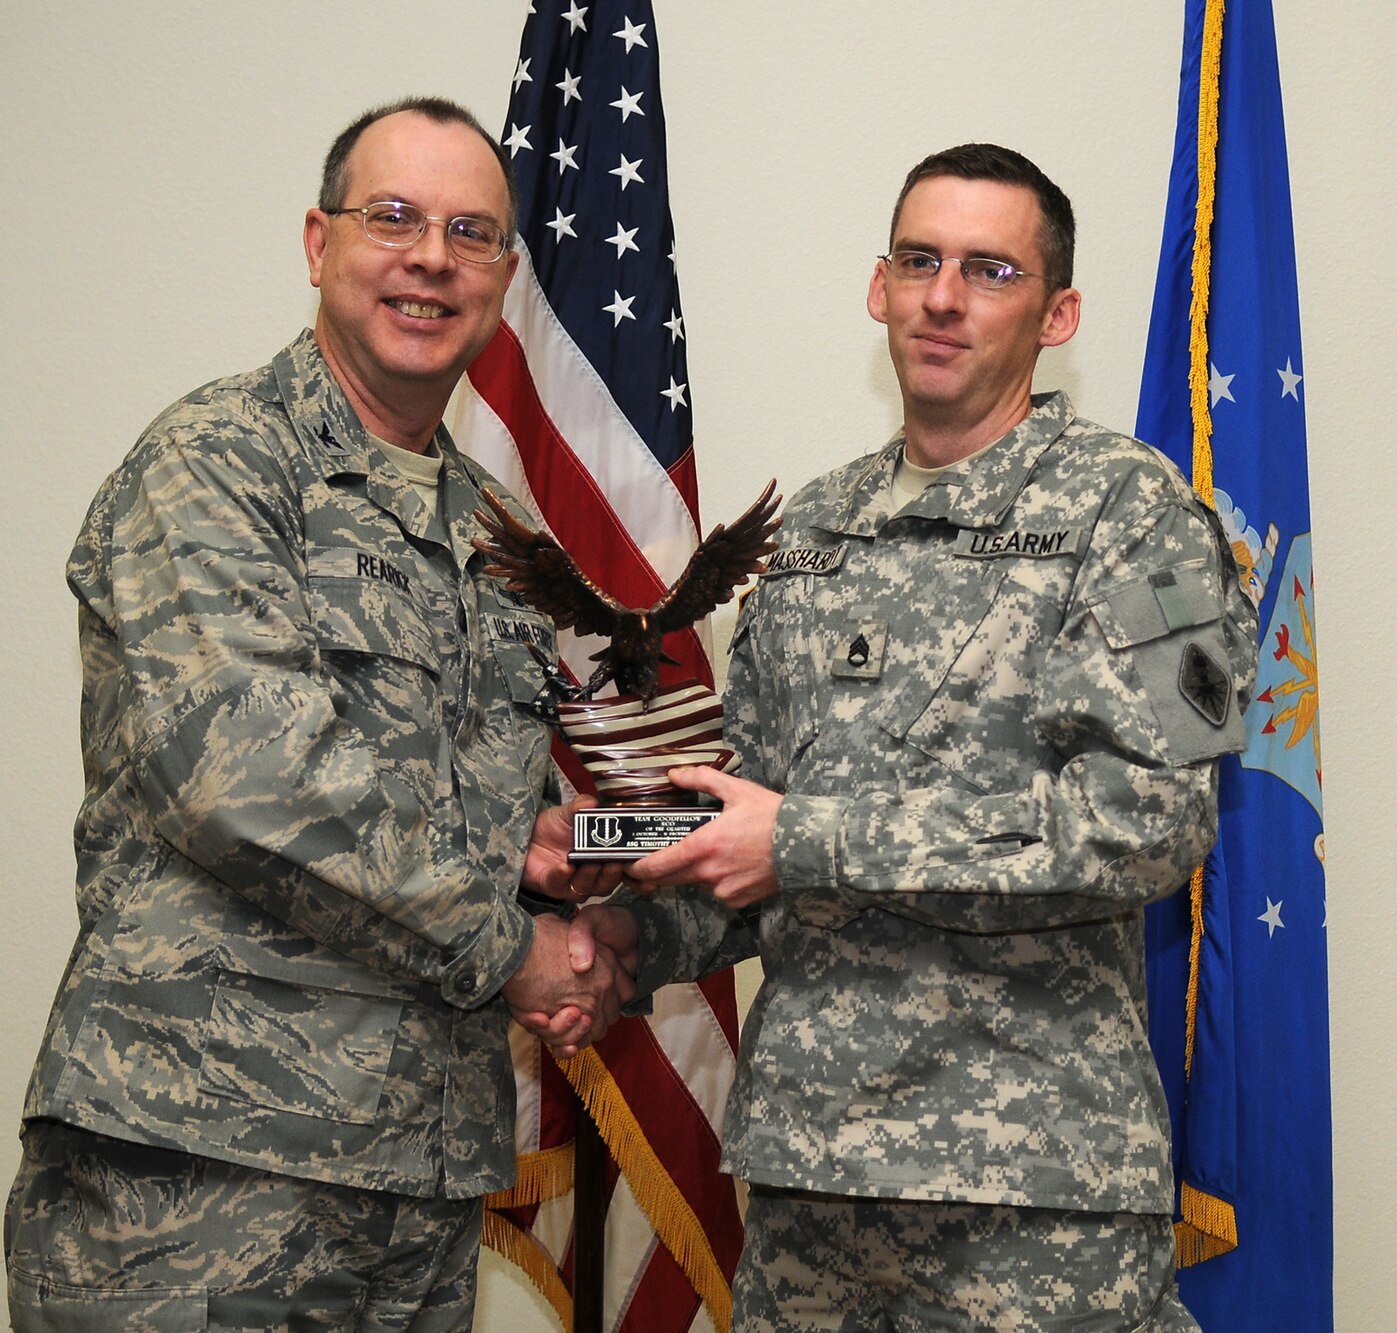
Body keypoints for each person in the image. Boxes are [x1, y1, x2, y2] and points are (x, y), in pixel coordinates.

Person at [4, 98, 651, 1330]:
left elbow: (481, 816)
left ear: (505, 278)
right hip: (201, 1179)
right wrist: (517, 951)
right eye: (393, 218)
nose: (430, 258)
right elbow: (248, 780)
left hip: (413, 1189)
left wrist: (588, 877)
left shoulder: (493, 539)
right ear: (319, 242)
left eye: (470, 233)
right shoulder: (217, 463)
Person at [594, 143, 1254, 1330]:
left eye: (988, 270)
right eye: (919, 260)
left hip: (1033, 1193)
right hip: (808, 1185)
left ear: (1057, 314)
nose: (943, 296)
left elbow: (1156, 822)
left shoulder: (1142, 517)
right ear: (877, 287)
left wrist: (812, 842)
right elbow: (744, 834)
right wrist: (606, 923)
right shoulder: (809, 533)